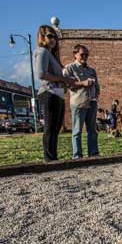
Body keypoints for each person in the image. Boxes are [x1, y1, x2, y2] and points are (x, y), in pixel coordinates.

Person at [33, 25, 75, 162]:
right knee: (50, 128)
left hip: (58, 94)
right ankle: (49, 160)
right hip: (49, 93)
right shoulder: (42, 52)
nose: (53, 40)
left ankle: (53, 158)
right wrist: (62, 79)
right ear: (42, 37)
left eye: (55, 37)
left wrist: (65, 81)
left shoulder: (51, 55)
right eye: (50, 36)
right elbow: (41, 74)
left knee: (55, 129)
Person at [63, 44, 100, 159]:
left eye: (86, 55)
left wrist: (96, 94)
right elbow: (67, 85)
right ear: (75, 55)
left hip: (92, 102)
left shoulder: (91, 70)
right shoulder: (69, 68)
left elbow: (97, 86)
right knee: (77, 131)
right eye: (82, 54)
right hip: (79, 103)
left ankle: (93, 154)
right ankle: (77, 156)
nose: (85, 57)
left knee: (92, 130)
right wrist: (83, 83)